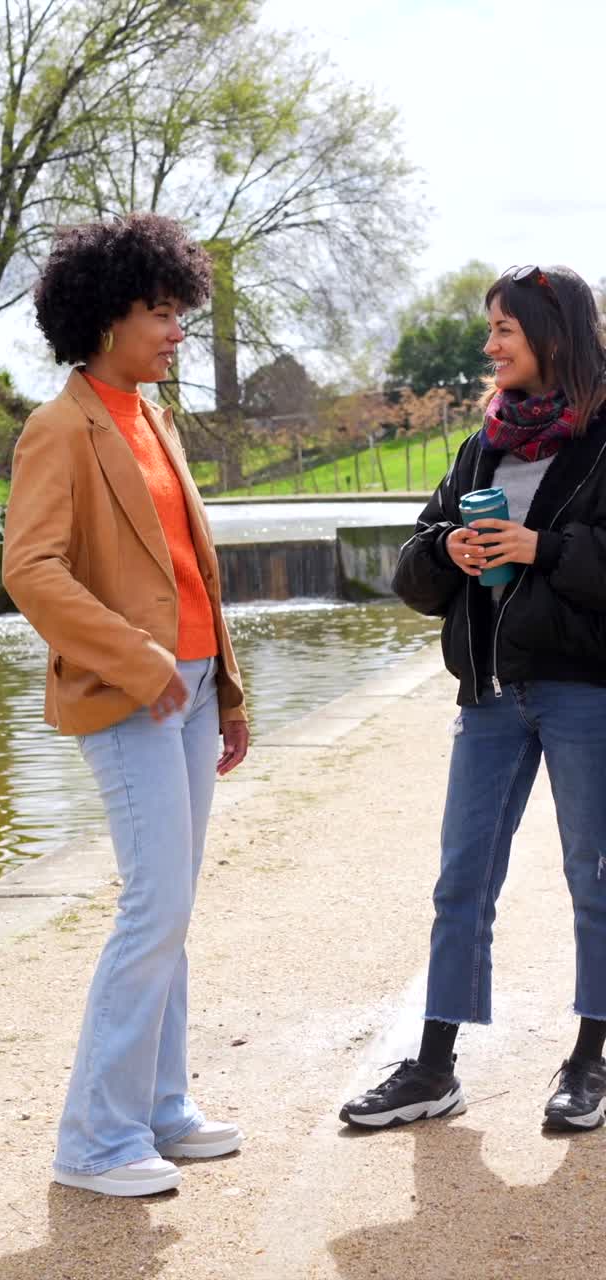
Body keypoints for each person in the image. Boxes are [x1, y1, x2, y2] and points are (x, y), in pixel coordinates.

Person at [3, 213, 250, 1197]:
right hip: (127, 694)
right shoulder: (58, 427)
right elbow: (32, 571)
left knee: (172, 905)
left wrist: (224, 689)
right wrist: (143, 660)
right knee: (153, 904)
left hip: (189, 692)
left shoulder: (154, 417)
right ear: (107, 319)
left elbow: (192, 569)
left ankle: (160, 1105)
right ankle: (95, 1138)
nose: (177, 331)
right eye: (161, 313)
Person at [340, 264, 606, 1134]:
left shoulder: (604, 438)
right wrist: (448, 548)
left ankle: (589, 1061)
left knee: (594, 880)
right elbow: (414, 567)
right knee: (462, 882)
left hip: (583, 693)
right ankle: (433, 1065)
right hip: (488, 691)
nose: (488, 346)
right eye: (489, 330)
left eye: (503, 331)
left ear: (553, 338)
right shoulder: (482, 443)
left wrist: (541, 547)